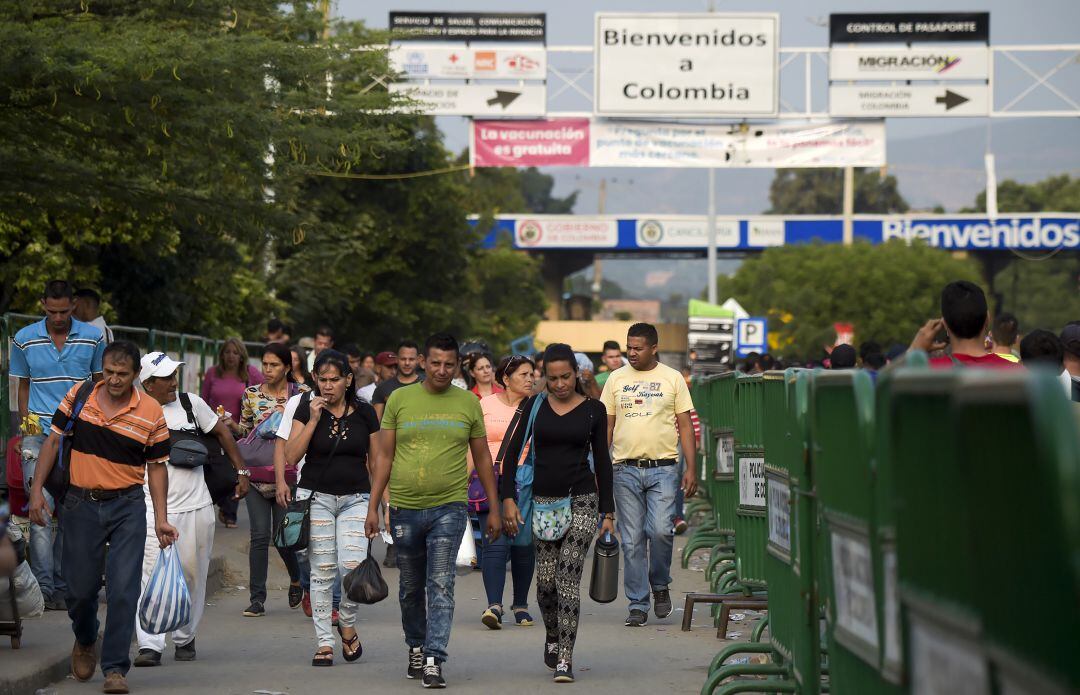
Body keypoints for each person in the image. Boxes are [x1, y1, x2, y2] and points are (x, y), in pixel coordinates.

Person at [28, 341, 178, 695]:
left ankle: (114, 668)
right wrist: (36, 492)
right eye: (109, 372)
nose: (113, 379)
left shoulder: (151, 411)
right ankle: (84, 637)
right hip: (79, 504)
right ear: (102, 369)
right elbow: (51, 443)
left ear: (136, 376)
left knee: (124, 589)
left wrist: (161, 518)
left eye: (122, 374)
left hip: (127, 505)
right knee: (79, 591)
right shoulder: (79, 397)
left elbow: (157, 468)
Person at [365, 333, 502, 689]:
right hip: (406, 508)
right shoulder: (399, 399)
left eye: (449, 364)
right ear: (424, 362)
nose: (441, 370)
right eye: (435, 363)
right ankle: (415, 644)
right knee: (410, 587)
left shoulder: (467, 404)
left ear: (458, 366)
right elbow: (384, 455)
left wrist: (495, 507)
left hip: (450, 508)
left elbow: (484, 457)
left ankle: (433, 658)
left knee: (440, 583)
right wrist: (374, 506)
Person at [500, 345, 614, 683]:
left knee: (567, 579)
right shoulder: (532, 406)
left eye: (566, 376)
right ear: (542, 377)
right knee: (546, 585)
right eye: (553, 378)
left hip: (582, 499)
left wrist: (608, 511)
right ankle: (553, 633)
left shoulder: (594, 410)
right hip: (543, 503)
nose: (560, 383)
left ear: (576, 374)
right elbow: (510, 454)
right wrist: (507, 498)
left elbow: (603, 462)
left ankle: (565, 656)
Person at [133, 352, 250, 668]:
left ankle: (185, 637)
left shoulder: (190, 404)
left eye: (174, 375)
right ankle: (150, 643)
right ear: (147, 383)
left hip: (197, 506)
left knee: (191, 573)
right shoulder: (134, 410)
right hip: (149, 506)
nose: (173, 382)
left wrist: (241, 471)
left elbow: (222, 433)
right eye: (166, 378)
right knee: (148, 573)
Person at [11, 280, 106, 612]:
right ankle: (45, 586)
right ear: (42, 305)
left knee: (72, 511)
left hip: (77, 433)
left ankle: (64, 584)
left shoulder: (93, 337)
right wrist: (25, 425)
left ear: (74, 305)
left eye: (64, 311)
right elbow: (23, 385)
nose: (58, 317)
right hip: (38, 435)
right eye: (52, 312)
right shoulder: (23, 339)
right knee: (39, 507)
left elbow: (98, 386)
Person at [281, 350, 381, 667]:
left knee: (351, 569)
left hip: (357, 498)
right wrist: (312, 419)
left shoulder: (365, 414)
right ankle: (324, 642)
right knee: (322, 573)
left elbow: (377, 462)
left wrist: (380, 506)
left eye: (334, 379)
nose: (328, 386)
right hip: (317, 498)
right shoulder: (304, 408)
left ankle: (346, 623)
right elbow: (291, 456)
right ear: (314, 380)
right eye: (322, 380)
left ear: (348, 380)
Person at [600, 323, 697, 628]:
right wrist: (600, 468)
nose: (631, 353)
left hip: (665, 469)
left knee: (659, 531)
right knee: (631, 540)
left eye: (638, 348)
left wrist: (691, 467)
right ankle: (638, 603)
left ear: (654, 347)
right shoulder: (616, 380)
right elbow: (607, 426)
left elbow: (684, 425)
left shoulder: (672, 379)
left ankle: (659, 584)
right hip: (624, 469)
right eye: (629, 347)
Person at [236, 342, 307, 617]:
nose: (267, 370)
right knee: (259, 535)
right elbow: (245, 430)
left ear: (287, 367)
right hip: (255, 474)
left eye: (274, 365)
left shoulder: (300, 395)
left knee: (284, 537)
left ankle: (297, 578)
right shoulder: (250, 394)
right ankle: (257, 599)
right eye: (264, 364)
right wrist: (230, 426)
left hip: (287, 475)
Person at [471, 355, 536, 630]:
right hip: (488, 479)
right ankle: (494, 605)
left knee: (522, 544)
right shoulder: (484, 405)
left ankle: (520, 604)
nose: (530, 379)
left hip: (525, 480)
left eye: (532, 374)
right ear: (506, 380)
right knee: (494, 542)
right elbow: (472, 447)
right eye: (523, 374)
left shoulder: (537, 408)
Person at [201, 338, 263, 527]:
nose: (231, 356)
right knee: (213, 468)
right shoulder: (213, 373)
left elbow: (263, 394)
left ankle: (229, 513)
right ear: (222, 355)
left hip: (238, 430)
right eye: (227, 352)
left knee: (234, 469)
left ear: (242, 355)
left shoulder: (250, 374)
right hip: (213, 428)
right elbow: (203, 399)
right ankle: (220, 501)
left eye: (235, 352)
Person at [910, 282, 1022, 369]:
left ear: (944, 324)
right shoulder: (1018, 373)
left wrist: (914, 349)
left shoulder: (925, 372)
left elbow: (893, 382)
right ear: (987, 319)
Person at [371, 340, 423, 421]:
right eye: (403, 359)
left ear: (418, 360)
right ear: (397, 359)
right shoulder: (383, 388)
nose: (407, 363)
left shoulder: (427, 384)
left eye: (411, 359)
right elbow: (375, 424)